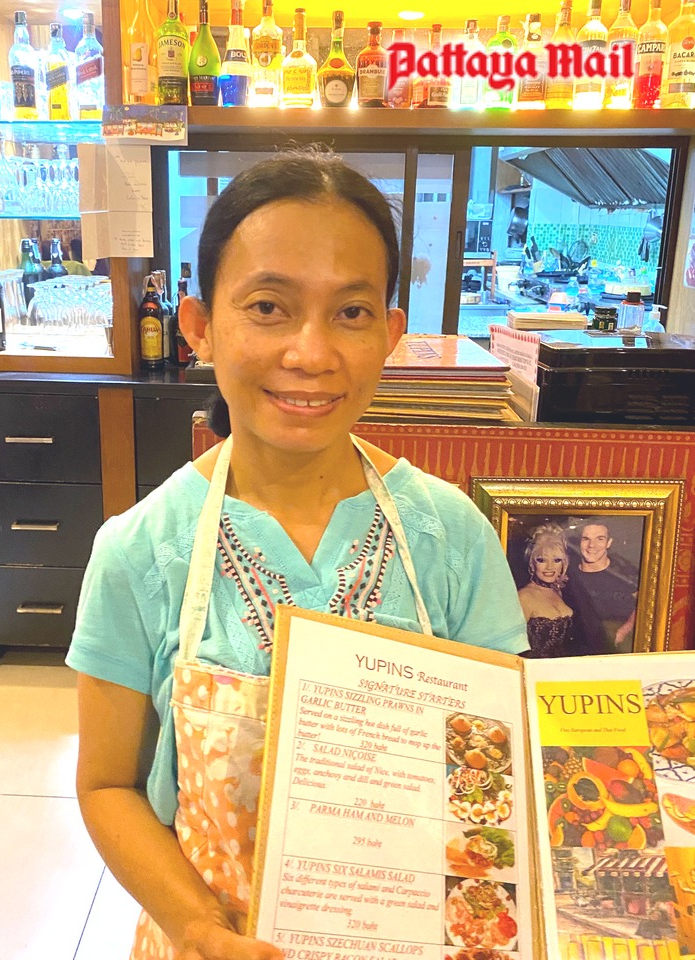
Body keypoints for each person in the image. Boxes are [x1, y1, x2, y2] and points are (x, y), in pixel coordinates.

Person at [66, 147, 529, 960]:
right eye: (269, 307)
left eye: (351, 312)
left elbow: (500, 775)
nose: (312, 354)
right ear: (200, 326)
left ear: (389, 335)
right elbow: (107, 785)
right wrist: (197, 926)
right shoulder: (139, 550)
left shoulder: (453, 537)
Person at [569, 519, 638, 653]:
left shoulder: (625, 571)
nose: (592, 545)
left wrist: (627, 627)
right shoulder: (568, 574)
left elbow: (646, 601)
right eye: (586, 539)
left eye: (600, 539)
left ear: (609, 542)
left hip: (620, 648)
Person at [517, 524, 575, 657]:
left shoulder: (560, 591)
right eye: (542, 560)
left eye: (556, 560)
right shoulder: (524, 597)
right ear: (532, 563)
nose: (549, 567)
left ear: (564, 563)